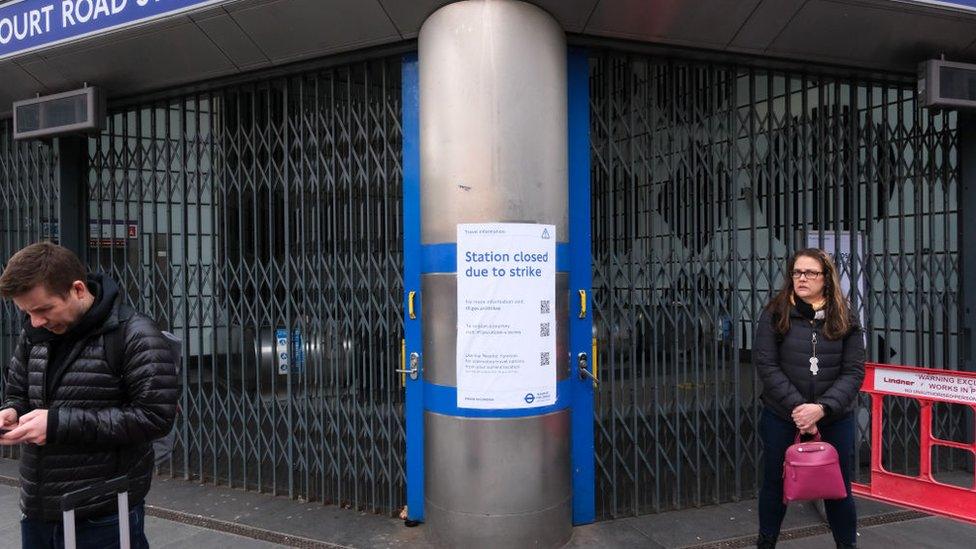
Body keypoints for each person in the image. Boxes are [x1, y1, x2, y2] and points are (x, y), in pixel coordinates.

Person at [0, 242, 178, 549]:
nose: (35, 321)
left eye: (43, 309)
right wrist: (12, 410)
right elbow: (18, 390)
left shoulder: (135, 334)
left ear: (78, 289)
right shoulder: (35, 334)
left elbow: (155, 417)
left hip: (103, 511)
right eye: (27, 312)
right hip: (39, 508)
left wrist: (56, 424)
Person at [753, 248, 865, 549]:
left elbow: (854, 371)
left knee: (838, 489)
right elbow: (766, 364)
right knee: (775, 486)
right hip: (783, 416)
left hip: (834, 418)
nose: (802, 278)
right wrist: (799, 409)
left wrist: (822, 408)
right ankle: (766, 542)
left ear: (826, 278)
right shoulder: (776, 312)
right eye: (797, 272)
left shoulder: (845, 316)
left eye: (810, 273)